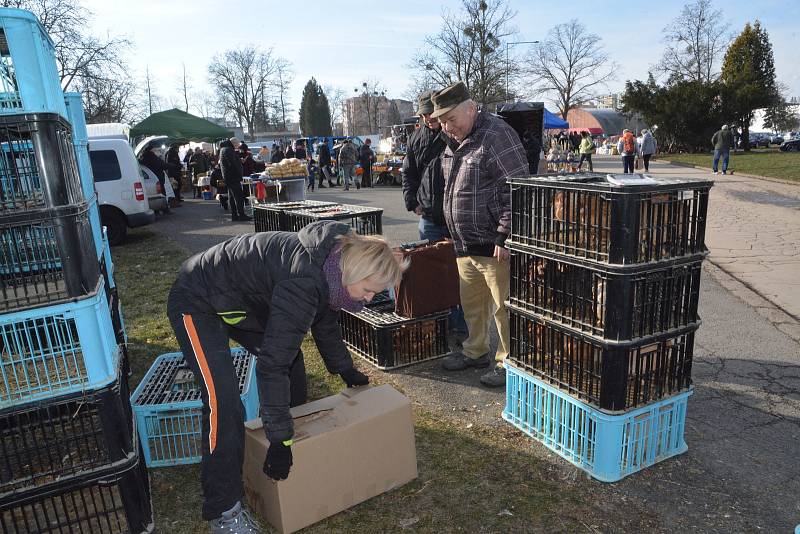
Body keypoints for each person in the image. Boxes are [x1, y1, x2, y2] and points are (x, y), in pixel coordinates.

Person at [167, 221, 407, 533]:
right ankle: (225, 512)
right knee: (223, 401)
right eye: (368, 290)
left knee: (293, 365)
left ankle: (290, 454)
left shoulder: (332, 267)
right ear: (353, 272)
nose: (368, 299)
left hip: (243, 303)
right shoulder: (305, 280)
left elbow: (325, 321)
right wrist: (280, 438)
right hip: (197, 299)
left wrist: (343, 368)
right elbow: (272, 366)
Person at [432, 81, 528, 388]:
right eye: (442, 120)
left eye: (451, 119)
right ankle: (476, 351)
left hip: (494, 243)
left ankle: (507, 361)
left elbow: (517, 187)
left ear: (471, 109)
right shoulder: (452, 140)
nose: (447, 126)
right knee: (472, 305)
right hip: (464, 244)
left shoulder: (496, 135)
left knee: (504, 308)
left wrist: (504, 234)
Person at [401, 89, 468, 344]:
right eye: (424, 113)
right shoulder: (416, 138)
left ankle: (461, 325)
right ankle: (442, 324)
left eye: (432, 113)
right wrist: (412, 202)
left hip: (454, 215)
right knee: (433, 272)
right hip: (429, 215)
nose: (429, 117)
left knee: (459, 273)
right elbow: (409, 173)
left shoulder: (453, 132)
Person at [220, 137, 251, 222]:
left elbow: (231, 162)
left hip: (229, 177)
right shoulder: (228, 150)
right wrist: (239, 175)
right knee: (238, 197)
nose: (238, 146)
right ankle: (241, 215)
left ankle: (235, 215)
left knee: (232, 197)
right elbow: (233, 164)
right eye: (237, 144)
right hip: (233, 177)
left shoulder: (225, 149)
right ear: (234, 143)